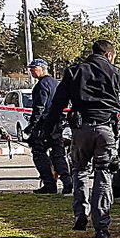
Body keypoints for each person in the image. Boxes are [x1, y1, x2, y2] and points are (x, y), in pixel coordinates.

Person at [36, 39, 120, 238]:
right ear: (109, 55)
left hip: (81, 129)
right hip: (107, 129)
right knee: (103, 175)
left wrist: (46, 130)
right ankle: (102, 226)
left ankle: (81, 214)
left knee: (79, 171)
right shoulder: (117, 73)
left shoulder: (73, 71)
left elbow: (57, 104)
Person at [26, 60, 72, 194]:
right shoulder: (57, 84)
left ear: (43, 69)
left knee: (39, 153)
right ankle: (67, 182)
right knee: (58, 154)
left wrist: (32, 127)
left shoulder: (42, 85)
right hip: (57, 124)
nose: (31, 71)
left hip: (44, 125)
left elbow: (39, 108)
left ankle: (49, 183)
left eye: (34, 69)